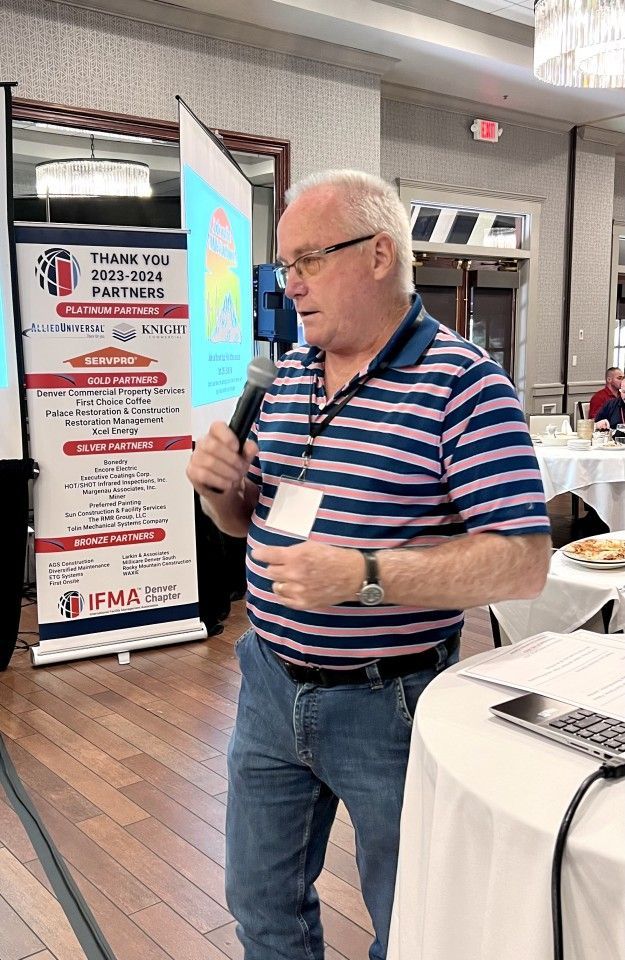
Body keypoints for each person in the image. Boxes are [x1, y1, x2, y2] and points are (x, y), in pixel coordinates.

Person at [186, 169, 551, 960]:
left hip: (390, 704)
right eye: (283, 268)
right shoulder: (286, 377)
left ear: (379, 253)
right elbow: (249, 524)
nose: (290, 287)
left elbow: (523, 563)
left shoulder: (465, 386)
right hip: (268, 682)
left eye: (308, 261)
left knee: (410, 921)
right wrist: (223, 494)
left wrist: (366, 575)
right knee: (260, 907)